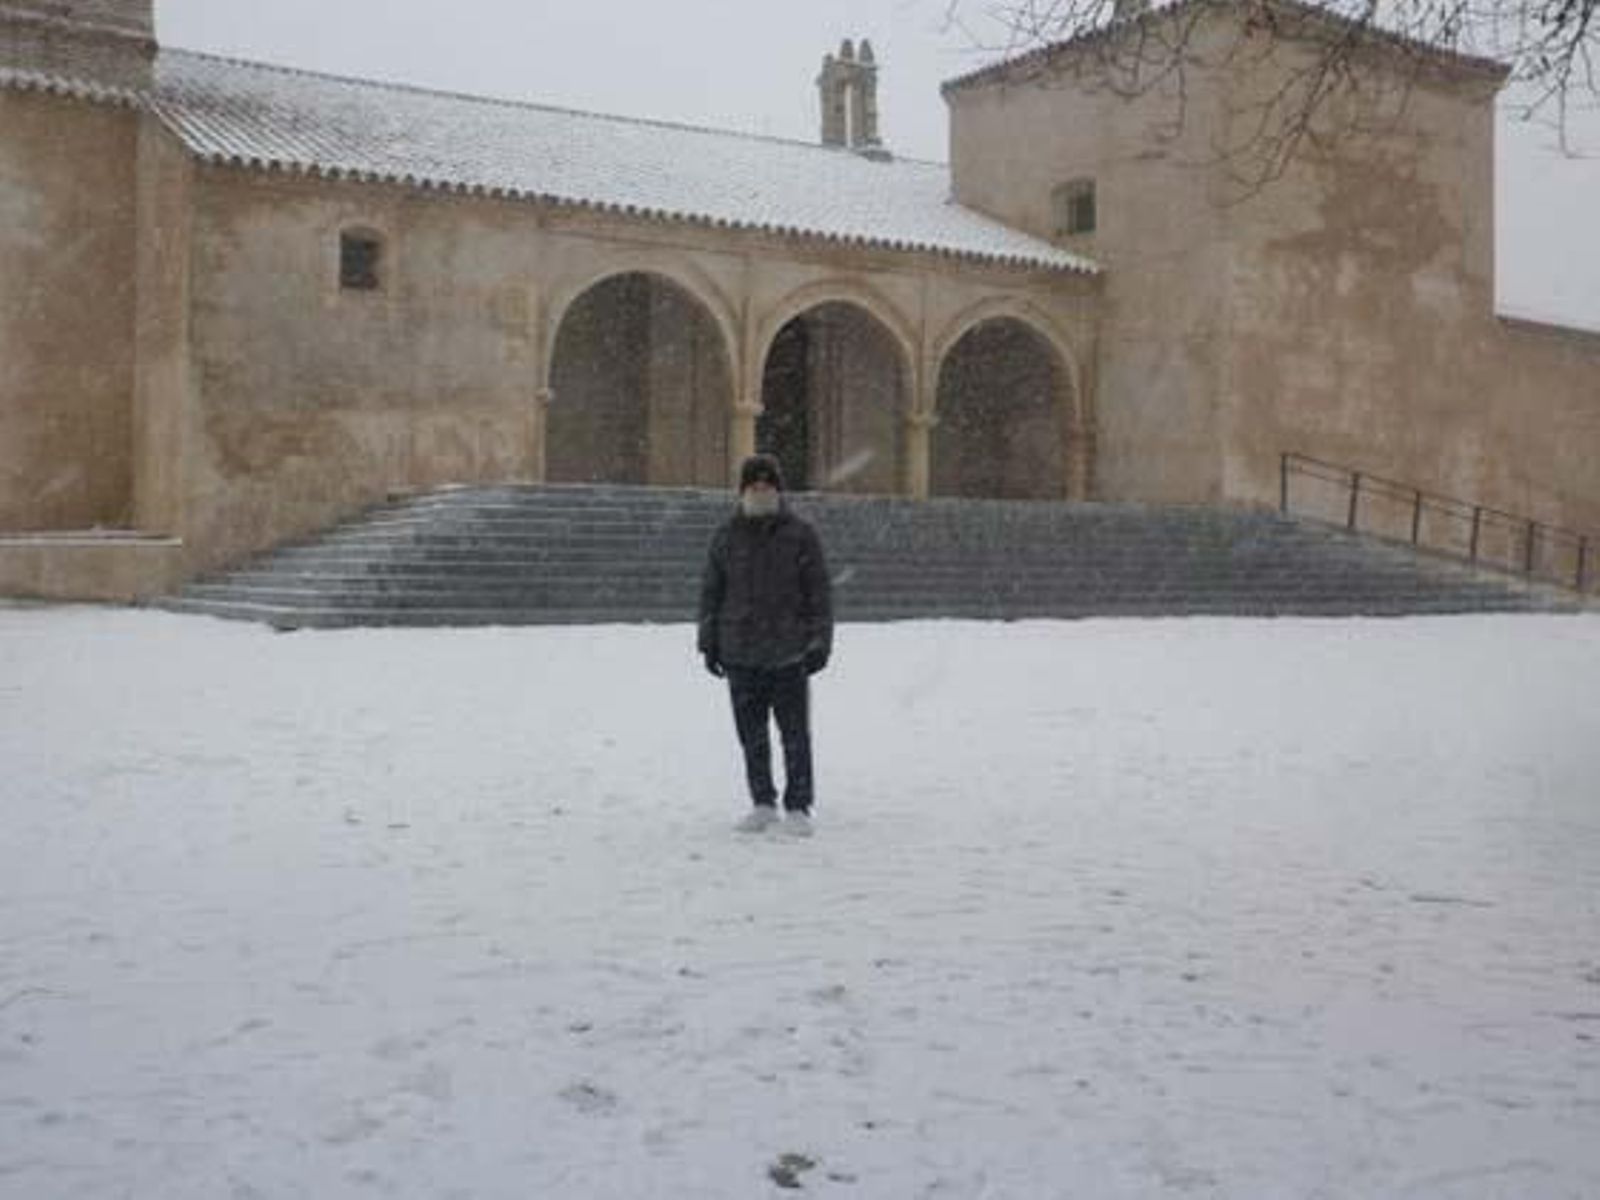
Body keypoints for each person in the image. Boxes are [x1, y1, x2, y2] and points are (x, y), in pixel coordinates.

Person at [698, 453, 834, 836]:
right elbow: (711, 592)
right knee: (751, 736)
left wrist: (819, 641)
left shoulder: (800, 535)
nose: (761, 491)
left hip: (788, 653)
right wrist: (708, 642)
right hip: (739, 652)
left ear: (778, 490)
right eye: (754, 486)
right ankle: (762, 802)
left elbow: (819, 594)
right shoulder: (726, 536)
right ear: (743, 491)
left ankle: (798, 805)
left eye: (767, 485)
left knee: (794, 734)